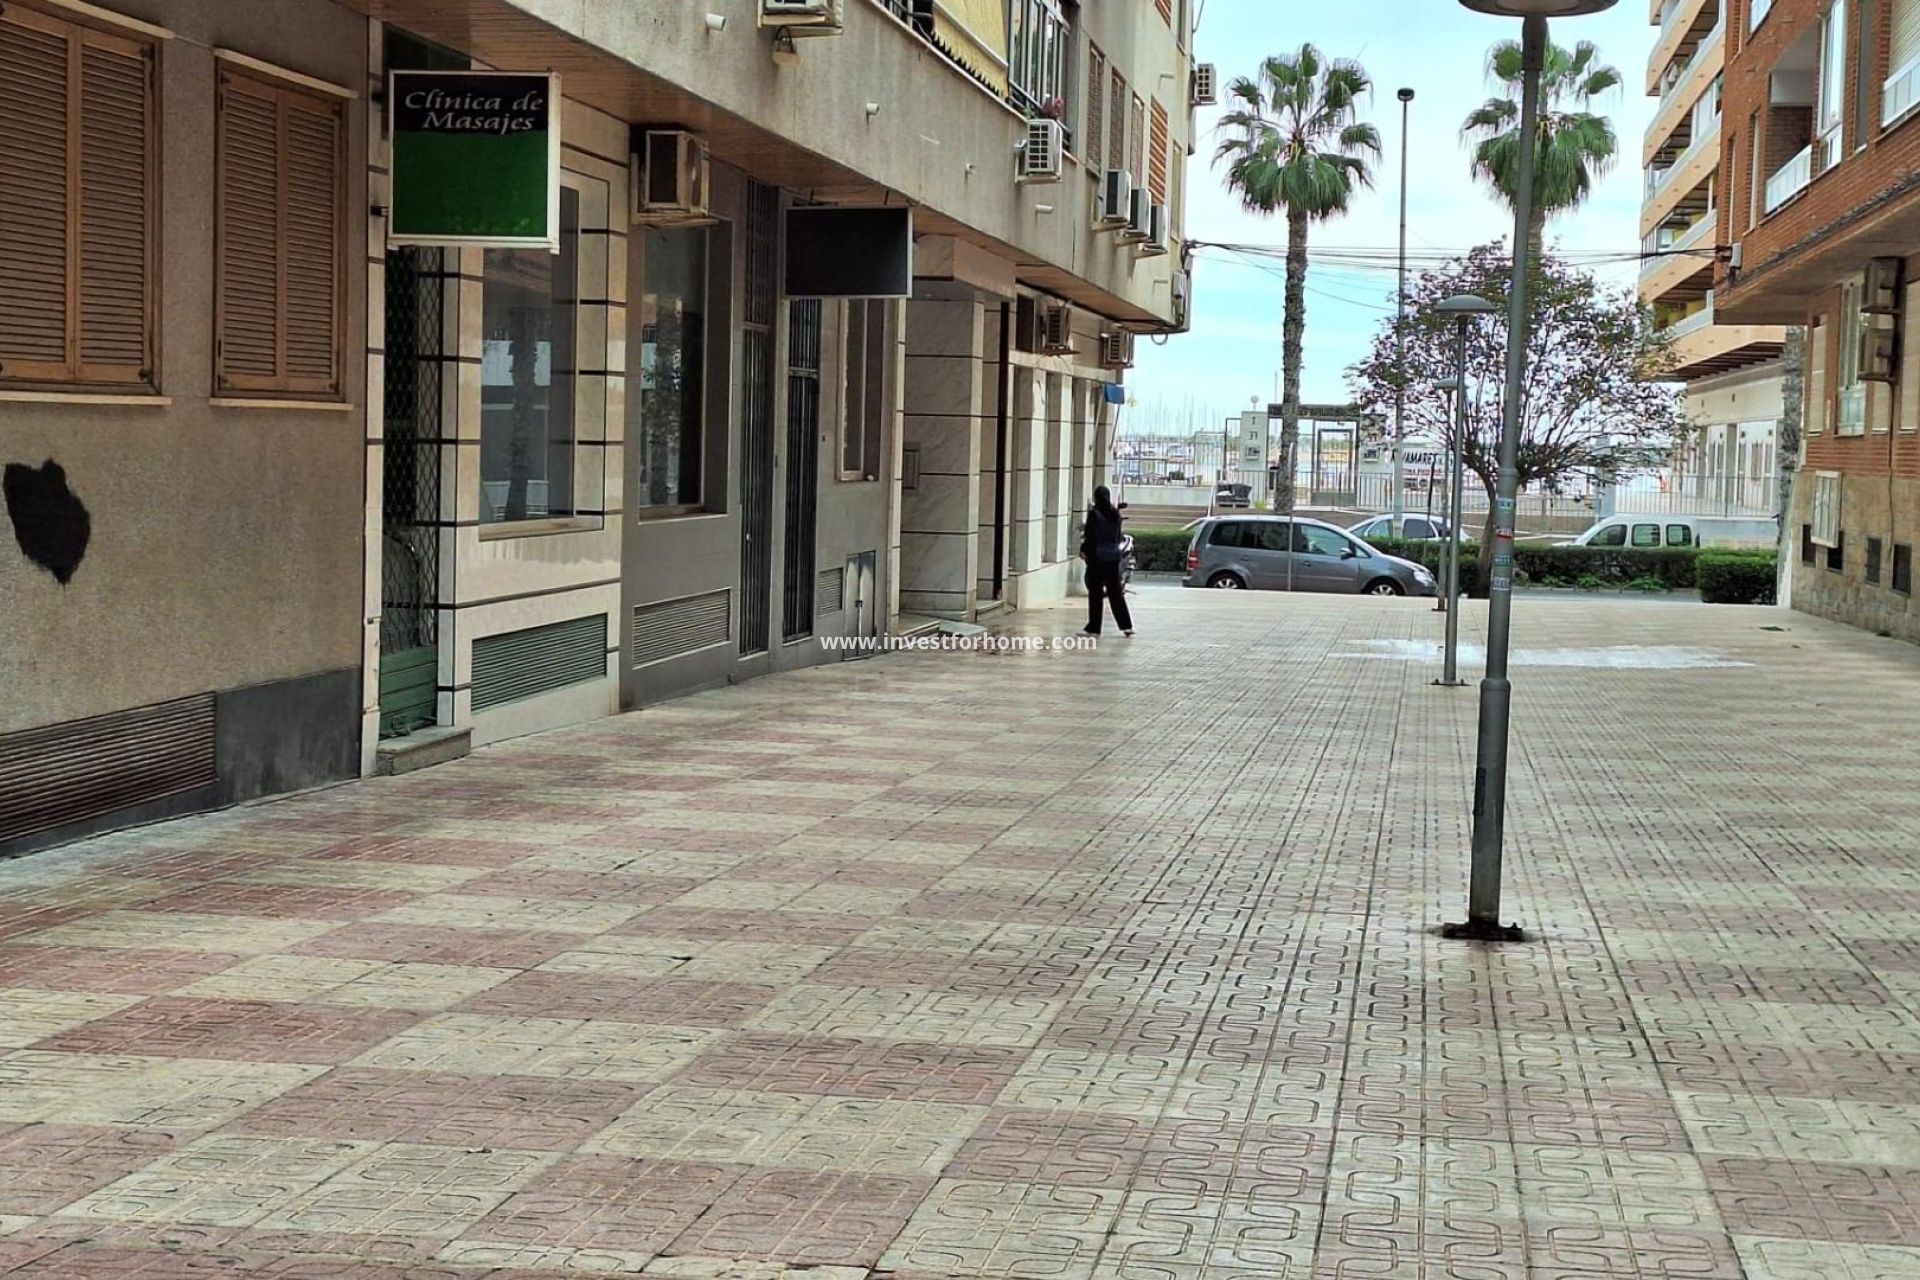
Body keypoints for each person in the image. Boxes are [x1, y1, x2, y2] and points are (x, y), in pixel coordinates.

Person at [1080, 485, 1134, 638]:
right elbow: (1117, 536)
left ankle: (1094, 628)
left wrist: (1084, 551)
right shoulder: (1115, 514)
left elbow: (1090, 536)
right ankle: (1126, 626)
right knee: (1115, 593)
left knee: (1095, 594)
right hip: (1112, 558)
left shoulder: (1094, 514)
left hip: (1097, 558)